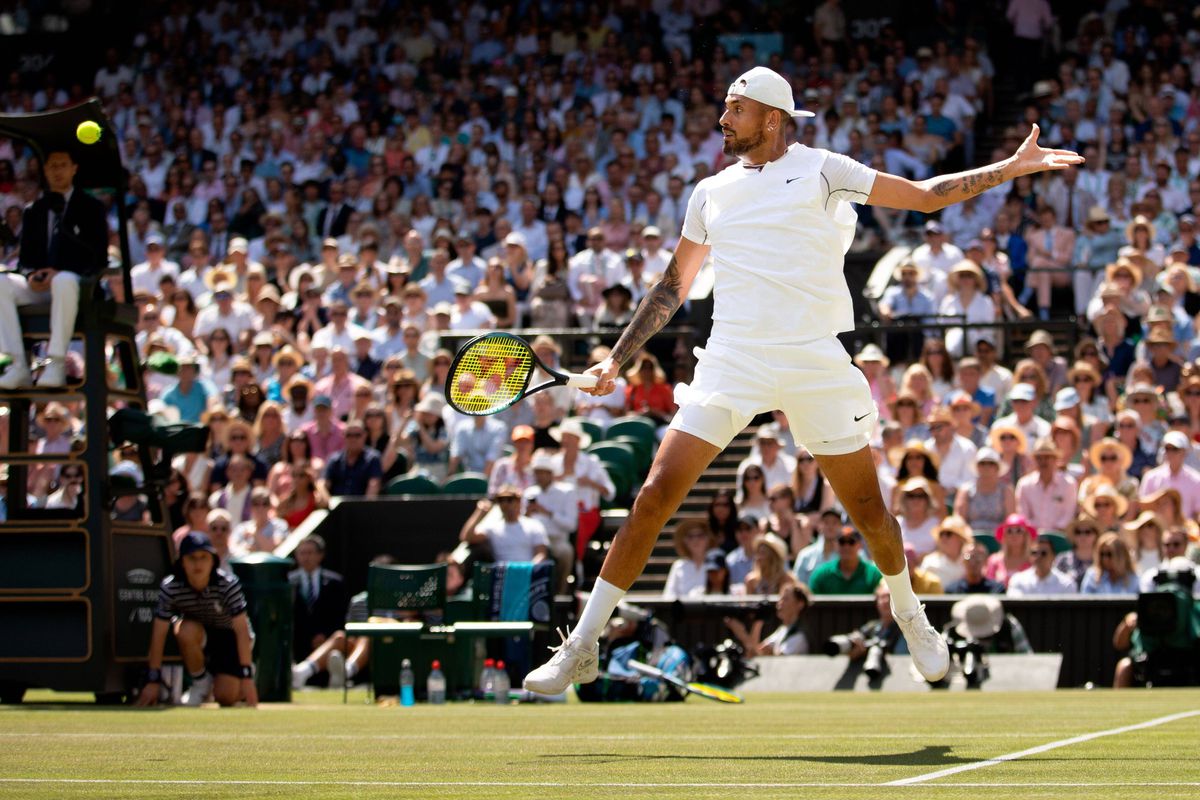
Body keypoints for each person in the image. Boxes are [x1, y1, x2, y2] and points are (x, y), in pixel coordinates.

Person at [523, 64, 1081, 693]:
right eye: (725, 107)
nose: (723, 119)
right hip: (733, 357)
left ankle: (909, 613)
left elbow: (925, 196)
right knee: (653, 495)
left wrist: (1008, 169)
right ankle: (583, 643)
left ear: (773, 117)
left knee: (870, 513)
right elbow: (673, 286)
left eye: (736, 108)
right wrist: (616, 361)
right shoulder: (708, 192)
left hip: (814, 360)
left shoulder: (824, 169)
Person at [0, 148, 108, 389]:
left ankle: (56, 363)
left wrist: (59, 272)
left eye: (62, 164)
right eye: (52, 166)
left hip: (77, 287)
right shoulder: (33, 211)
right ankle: (17, 365)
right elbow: (25, 260)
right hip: (41, 287)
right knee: (1, 283)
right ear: (45, 171)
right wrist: (30, 276)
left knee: (64, 280)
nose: (57, 171)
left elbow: (98, 256)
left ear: (74, 168)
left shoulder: (91, 207)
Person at [135, 532, 258, 707]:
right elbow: (159, 633)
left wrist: (246, 677)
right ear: (182, 561)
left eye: (203, 557)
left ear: (212, 560)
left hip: (231, 638)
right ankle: (201, 684)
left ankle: (237, 677)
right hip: (200, 635)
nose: (198, 563)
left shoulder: (227, 584)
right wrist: (153, 679)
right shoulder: (170, 587)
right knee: (185, 628)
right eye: (192, 558)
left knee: (225, 697)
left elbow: (242, 630)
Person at [288, 534, 347, 681]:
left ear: (320, 555)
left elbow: (340, 614)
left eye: (310, 553)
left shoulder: (335, 582)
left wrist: (324, 635)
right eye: (302, 553)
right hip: (298, 644)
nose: (306, 557)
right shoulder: (287, 583)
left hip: (326, 642)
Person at [524, 451, 578, 592]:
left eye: (543, 472)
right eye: (537, 472)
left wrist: (547, 513)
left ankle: (560, 594)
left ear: (551, 474)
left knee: (565, 552)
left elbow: (571, 525)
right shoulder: (529, 493)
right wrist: (527, 514)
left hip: (556, 539)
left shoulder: (567, 492)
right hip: (531, 540)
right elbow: (521, 522)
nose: (540, 476)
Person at [459, 485, 550, 564]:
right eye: (501, 500)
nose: (505, 504)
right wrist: (480, 513)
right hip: (501, 576)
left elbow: (541, 554)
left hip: (528, 575)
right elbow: (467, 537)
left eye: (510, 500)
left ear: (519, 502)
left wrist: (527, 570)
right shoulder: (492, 527)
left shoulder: (534, 525)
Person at [725, 583, 812, 656]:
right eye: (780, 599)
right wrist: (758, 623)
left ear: (800, 604)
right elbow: (757, 651)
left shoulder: (799, 636)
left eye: (785, 599)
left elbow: (776, 663)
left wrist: (742, 634)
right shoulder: (782, 630)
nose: (779, 603)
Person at [1016, 437, 1078, 533]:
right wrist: (1035, 533)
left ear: (1055, 459)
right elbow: (1023, 516)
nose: (1043, 461)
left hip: (1060, 537)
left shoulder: (1068, 483)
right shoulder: (1024, 484)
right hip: (1031, 537)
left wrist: (1052, 536)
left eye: (1047, 457)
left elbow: (1067, 516)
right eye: (1039, 458)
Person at [809, 529, 883, 595]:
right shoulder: (821, 575)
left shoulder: (873, 575)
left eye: (851, 542)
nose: (846, 546)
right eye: (842, 542)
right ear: (836, 544)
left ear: (860, 545)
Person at [1006, 537, 1078, 596]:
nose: (1038, 556)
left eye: (1043, 553)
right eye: (1034, 553)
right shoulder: (1018, 580)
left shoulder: (1066, 584)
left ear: (1053, 557)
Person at [662, 518, 714, 599]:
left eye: (700, 535)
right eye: (690, 536)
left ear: (708, 538)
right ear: (685, 541)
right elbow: (669, 595)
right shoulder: (678, 565)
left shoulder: (716, 563)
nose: (695, 540)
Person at [920, 515, 973, 587]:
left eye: (948, 534)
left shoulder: (971, 562)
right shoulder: (929, 562)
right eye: (941, 534)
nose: (944, 537)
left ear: (960, 538)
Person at [986, 513, 1035, 588]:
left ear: (1026, 535)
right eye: (1009, 531)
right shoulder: (994, 561)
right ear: (1004, 535)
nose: (1014, 534)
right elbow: (989, 585)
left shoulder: (1033, 561)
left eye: (1019, 530)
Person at [1055, 516, 1101, 588]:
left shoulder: (1103, 558)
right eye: (1078, 532)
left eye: (1088, 532)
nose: (1082, 535)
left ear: (1096, 535)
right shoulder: (1062, 559)